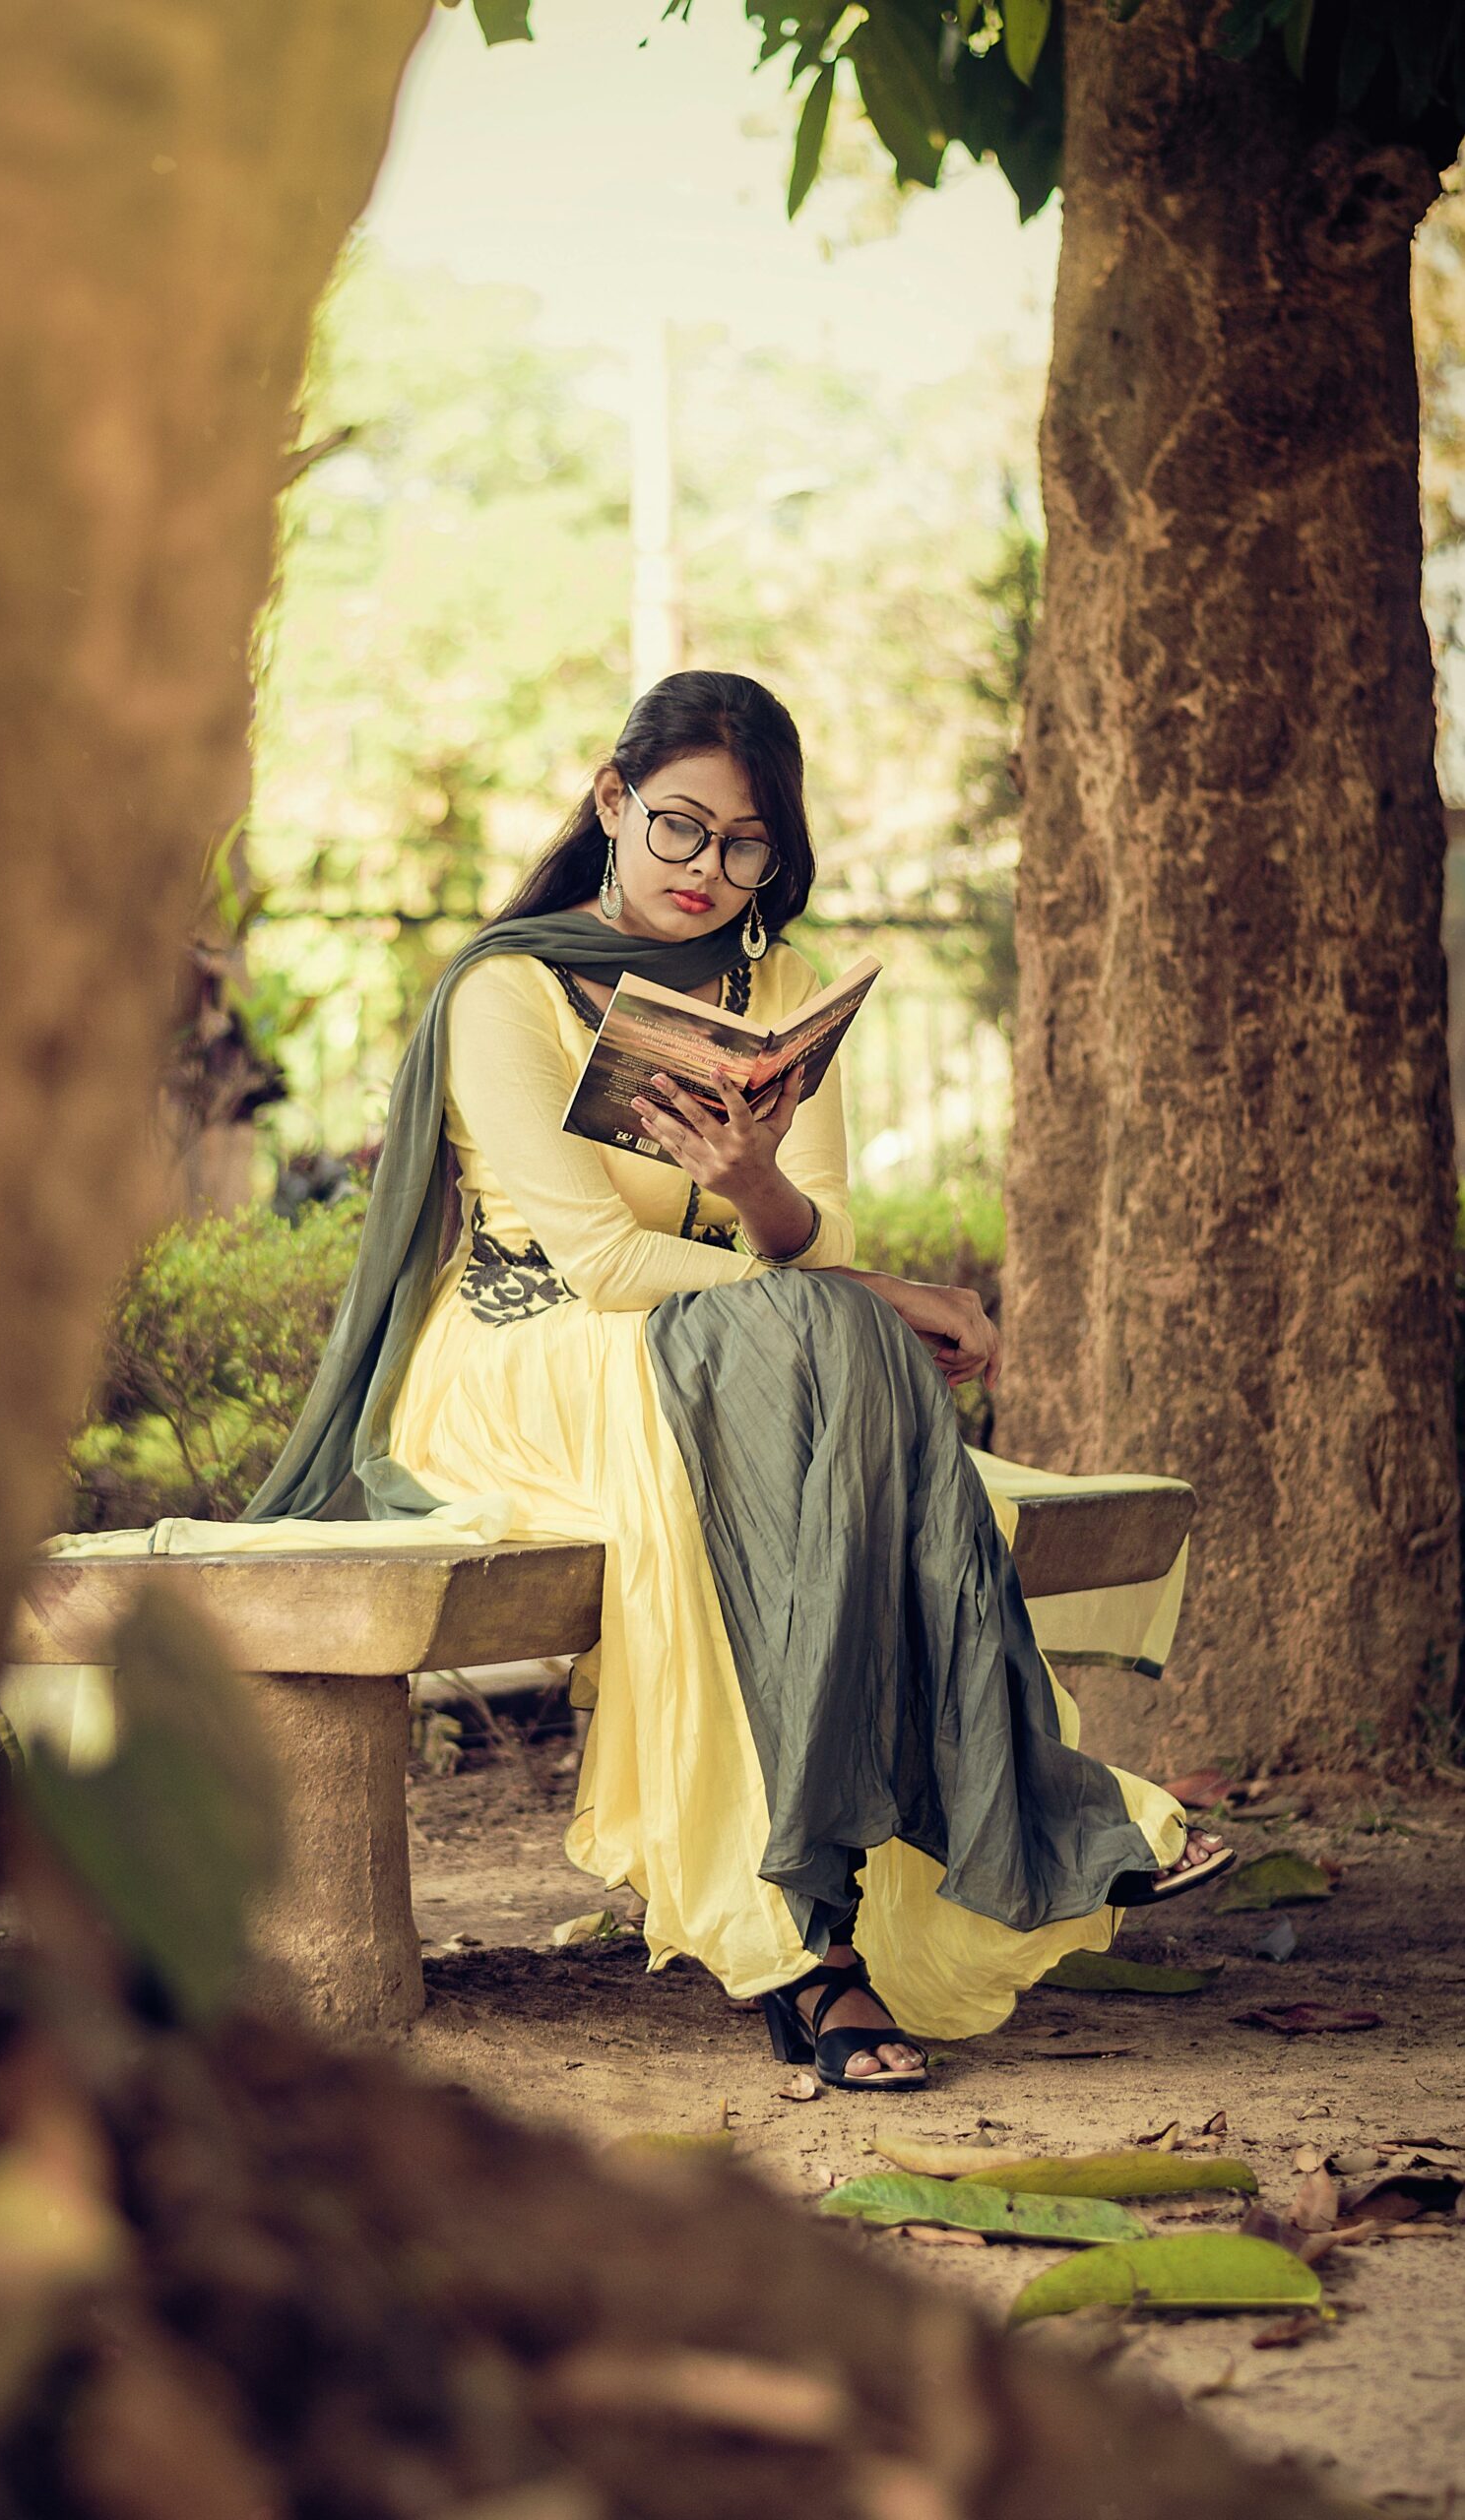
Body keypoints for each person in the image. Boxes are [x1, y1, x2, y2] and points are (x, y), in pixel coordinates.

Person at [244, 670, 1231, 2090]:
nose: (710, 870)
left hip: (728, 1343)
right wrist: (873, 1295)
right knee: (821, 1352)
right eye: (681, 830)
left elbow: (811, 1235)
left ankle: (849, 1903)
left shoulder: (775, 992)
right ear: (611, 804)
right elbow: (590, 1260)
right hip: (522, 1358)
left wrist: (756, 1180)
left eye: (747, 843)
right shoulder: (509, 990)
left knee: (811, 1351)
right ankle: (847, 1924)